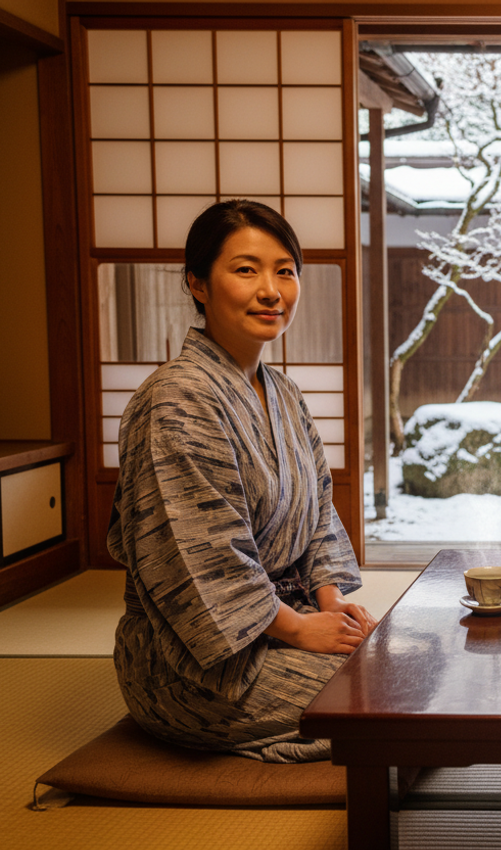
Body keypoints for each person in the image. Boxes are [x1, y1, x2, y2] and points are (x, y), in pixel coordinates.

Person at [107, 199, 377, 763]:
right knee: (392, 698)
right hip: (198, 664)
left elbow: (320, 509)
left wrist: (329, 602)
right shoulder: (176, 401)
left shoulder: (284, 393)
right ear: (198, 284)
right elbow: (200, 559)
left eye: (285, 270)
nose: (271, 290)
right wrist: (303, 632)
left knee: (407, 664)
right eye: (245, 269)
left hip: (289, 618)